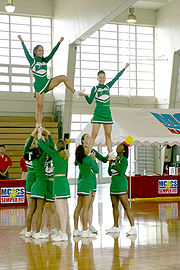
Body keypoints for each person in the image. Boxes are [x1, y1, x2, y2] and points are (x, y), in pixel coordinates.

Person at [17, 35, 81, 127]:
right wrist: (22, 41)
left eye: (42, 50)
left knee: (63, 77)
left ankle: (75, 93)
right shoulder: (32, 61)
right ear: (35, 52)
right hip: (39, 86)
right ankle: (39, 125)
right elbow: (26, 52)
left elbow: (52, 53)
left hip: (47, 82)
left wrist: (59, 42)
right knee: (40, 106)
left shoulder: (45, 61)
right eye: (39, 50)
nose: (42, 52)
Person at [79, 64, 129, 160]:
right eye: (100, 77)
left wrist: (124, 68)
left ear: (105, 78)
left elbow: (116, 77)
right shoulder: (95, 88)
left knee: (108, 135)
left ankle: (110, 152)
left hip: (107, 114)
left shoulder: (107, 86)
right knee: (94, 135)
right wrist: (85, 95)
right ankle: (88, 152)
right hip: (98, 113)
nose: (102, 79)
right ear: (97, 78)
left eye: (103, 77)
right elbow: (90, 101)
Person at [38, 129, 71, 241]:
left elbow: (44, 147)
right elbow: (52, 146)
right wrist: (49, 136)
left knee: (60, 210)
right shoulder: (64, 155)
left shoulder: (55, 154)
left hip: (58, 182)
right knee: (64, 209)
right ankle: (64, 232)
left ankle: (63, 233)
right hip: (65, 182)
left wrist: (40, 136)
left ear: (57, 147)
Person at [75, 133, 108, 235]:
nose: (89, 139)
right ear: (83, 141)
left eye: (90, 137)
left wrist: (109, 155)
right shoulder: (81, 151)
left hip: (91, 180)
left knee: (89, 204)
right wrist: (87, 159)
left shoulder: (92, 151)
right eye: (87, 138)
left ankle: (89, 225)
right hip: (85, 179)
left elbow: (103, 159)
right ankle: (84, 226)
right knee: (84, 205)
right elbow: (76, 162)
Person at [106, 142, 137, 235]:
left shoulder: (124, 160)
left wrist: (115, 162)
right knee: (114, 206)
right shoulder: (114, 159)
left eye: (120, 146)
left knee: (126, 206)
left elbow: (120, 171)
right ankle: (115, 226)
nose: (117, 147)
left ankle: (133, 228)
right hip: (113, 185)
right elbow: (109, 172)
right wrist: (111, 162)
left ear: (123, 150)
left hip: (121, 185)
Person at [25, 138, 49, 239]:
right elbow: (46, 148)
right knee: (39, 210)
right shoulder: (41, 159)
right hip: (40, 186)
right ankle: (38, 232)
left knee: (31, 209)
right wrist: (45, 138)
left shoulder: (33, 160)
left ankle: (28, 231)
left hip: (34, 186)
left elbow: (27, 148)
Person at [74, 144, 99, 238]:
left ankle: (76, 230)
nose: (87, 148)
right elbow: (96, 170)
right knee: (86, 208)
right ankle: (85, 230)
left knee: (78, 207)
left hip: (81, 184)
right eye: (85, 147)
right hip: (88, 185)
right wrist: (94, 159)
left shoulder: (79, 159)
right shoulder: (89, 159)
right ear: (82, 151)